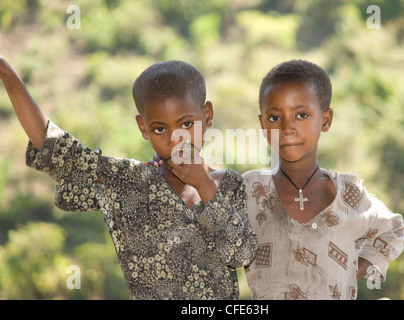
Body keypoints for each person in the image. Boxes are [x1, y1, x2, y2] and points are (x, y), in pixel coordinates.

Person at [0, 55, 258, 300]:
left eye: (187, 124)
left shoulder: (230, 184)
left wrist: (204, 184)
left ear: (207, 115)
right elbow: (55, 148)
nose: (175, 139)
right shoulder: (128, 182)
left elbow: (241, 253)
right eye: (159, 129)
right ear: (143, 128)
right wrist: (7, 73)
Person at [243, 59, 404, 300]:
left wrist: (350, 273)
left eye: (301, 115)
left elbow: (393, 230)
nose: (287, 128)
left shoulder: (348, 195)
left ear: (326, 119)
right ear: (262, 124)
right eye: (275, 118)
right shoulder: (251, 189)